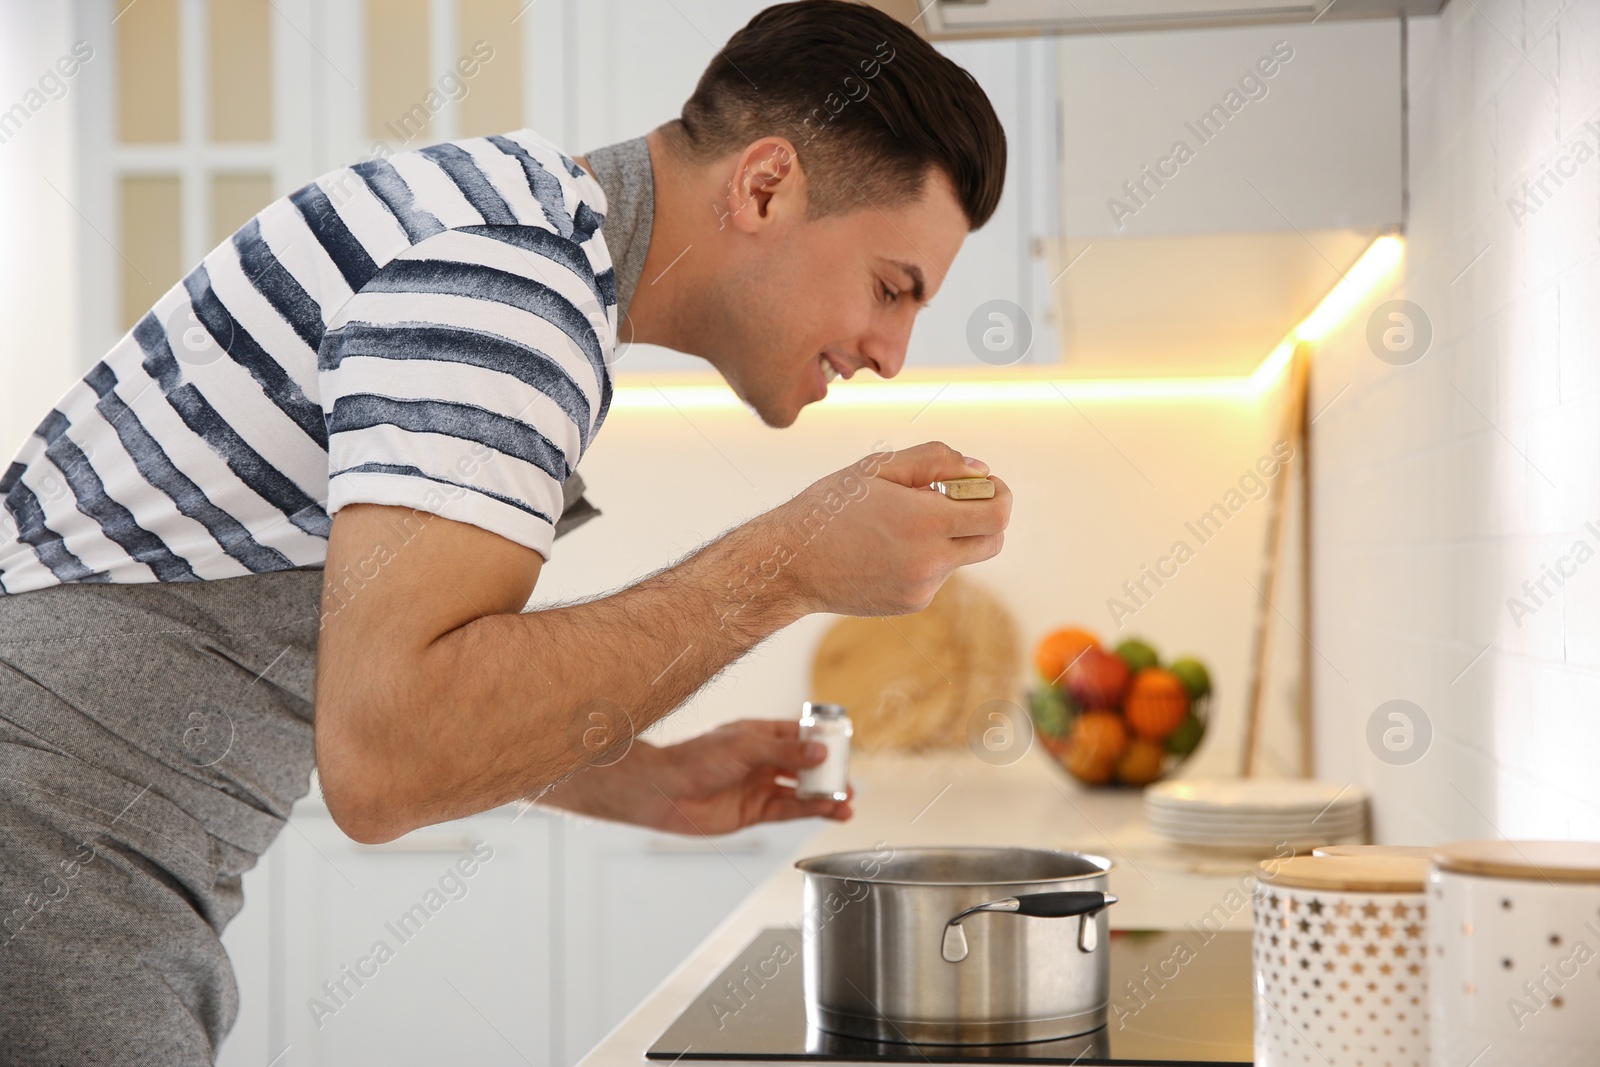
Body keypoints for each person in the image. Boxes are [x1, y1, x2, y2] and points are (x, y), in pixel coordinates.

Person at [0, 1, 1010, 1062]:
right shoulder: (507, 284)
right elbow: (387, 754)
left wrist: (636, 777)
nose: (891, 349)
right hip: (55, 864)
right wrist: (788, 563)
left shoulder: (508, 223)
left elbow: (402, 660)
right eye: (892, 288)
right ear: (764, 187)